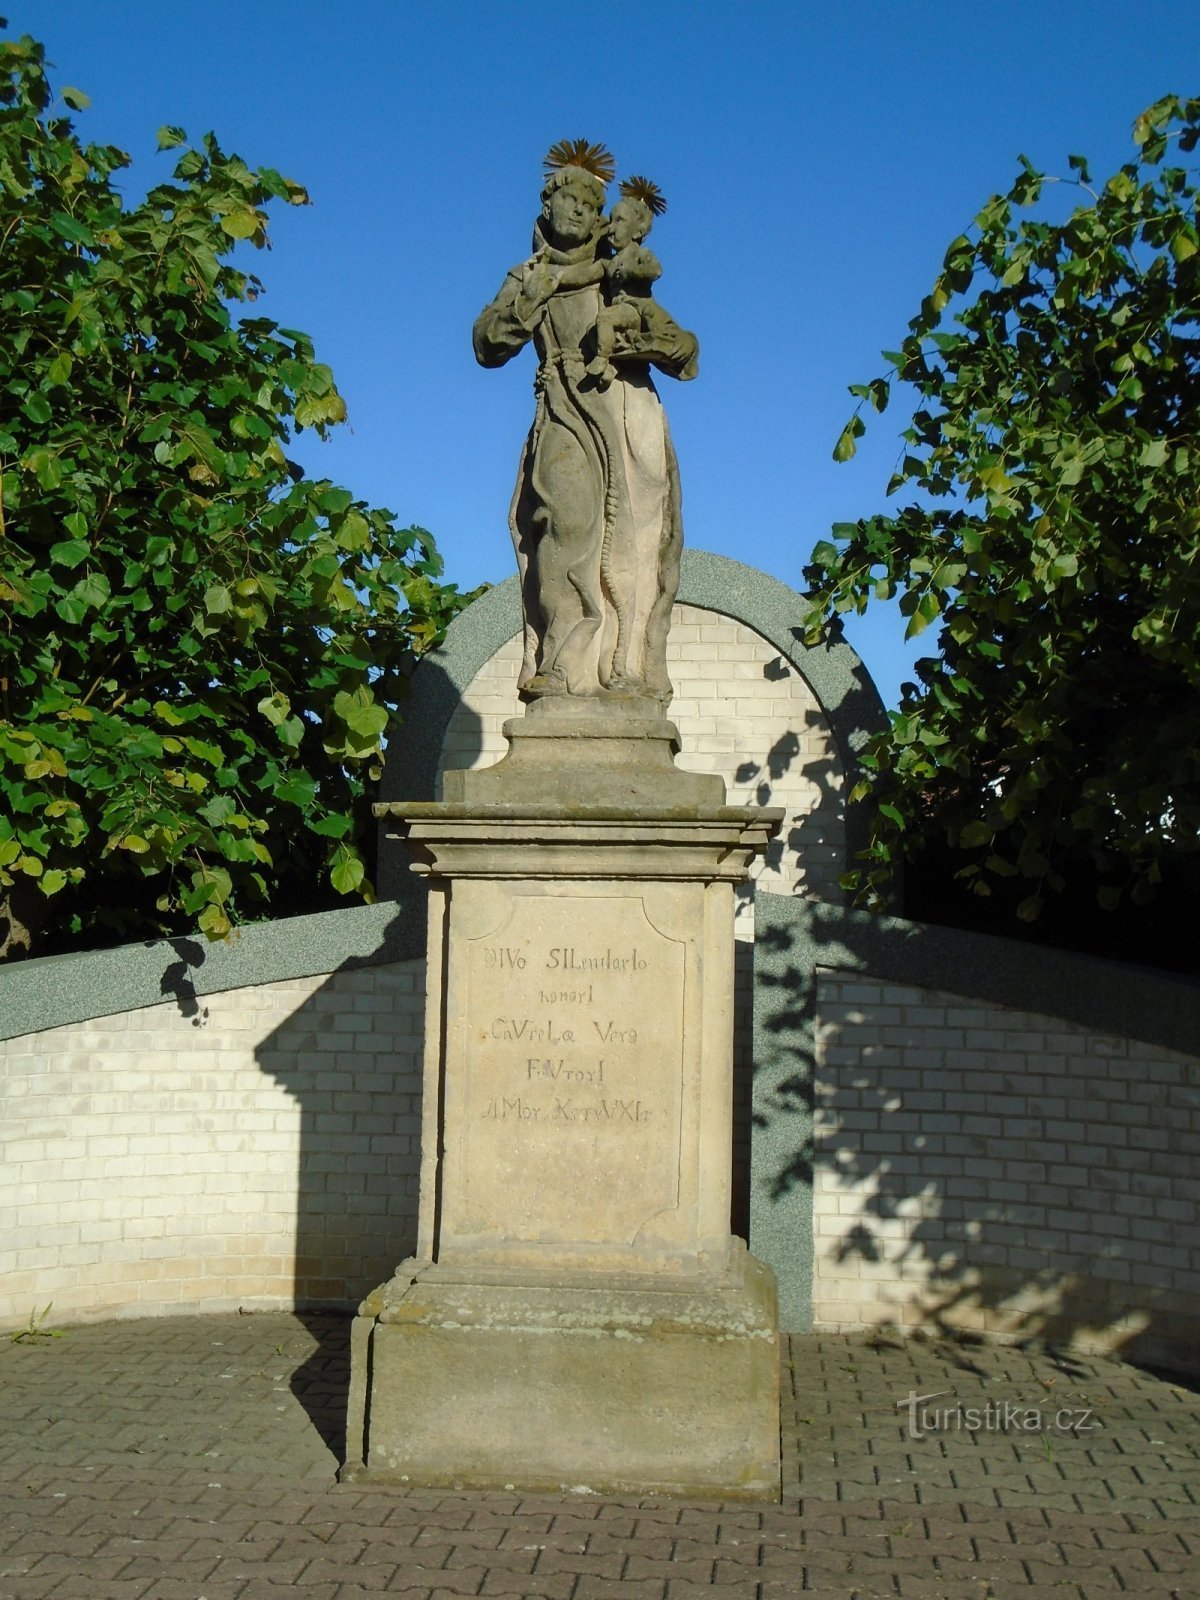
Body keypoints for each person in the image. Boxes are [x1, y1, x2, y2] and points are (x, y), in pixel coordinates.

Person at [472, 146, 698, 704]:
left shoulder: (620, 274)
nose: (576, 209)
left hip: (626, 415)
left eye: (587, 202)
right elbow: (487, 343)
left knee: (634, 543)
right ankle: (560, 666)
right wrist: (534, 297)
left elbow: (687, 352)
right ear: (547, 204)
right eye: (566, 198)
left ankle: (625, 671)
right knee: (564, 521)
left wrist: (642, 343)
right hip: (564, 409)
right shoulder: (529, 275)